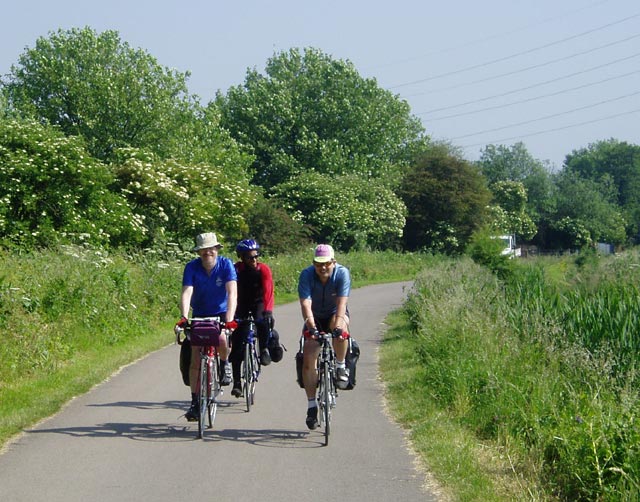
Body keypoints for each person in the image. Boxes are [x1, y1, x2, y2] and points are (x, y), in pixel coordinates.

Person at [175, 232, 238, 421]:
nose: (207, 252)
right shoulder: (191, 267)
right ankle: (195, 401)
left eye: (211, 249)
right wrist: (184, 317)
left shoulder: (226, 265)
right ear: (199, 252)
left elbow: (232, 293)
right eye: (203, 250)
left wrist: (229, 320)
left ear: (217, 249)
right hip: (200, 314)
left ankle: (224, 363)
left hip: (221, 312)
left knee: (221, 338)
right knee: (195, 357)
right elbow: (187, 292)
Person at [298, 244, 351, 430]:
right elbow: (305, 303)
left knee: (341, 330)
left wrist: (337, 327)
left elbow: (342, 302)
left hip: (335, 313)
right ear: (313, 263)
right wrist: (312, 327)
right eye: (319, 264)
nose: (323, 268)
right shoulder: (306, 275)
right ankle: (312, 406)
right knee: (309, 356)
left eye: (327, 264)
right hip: (314, 316)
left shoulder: (342, 274)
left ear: (333, 262)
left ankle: (340, 365)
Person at [229, 239, 275, 398]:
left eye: (256, 256)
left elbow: (268, 291)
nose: (254, 260)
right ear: (242, 257)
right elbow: (229, 289)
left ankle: (263, 349)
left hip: (258, 302)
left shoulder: (263, 269)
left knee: (261, 322)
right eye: (250, 257)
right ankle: (236, 383)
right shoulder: (236, 270)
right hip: (240, 304)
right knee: (237, 347)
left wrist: (268, 311)